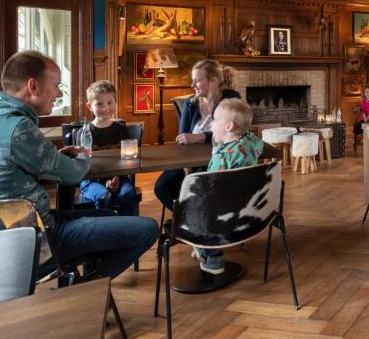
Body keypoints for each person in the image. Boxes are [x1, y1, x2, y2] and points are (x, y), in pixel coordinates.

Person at [0, 50, 158, 279]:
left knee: (107, 213)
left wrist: (54, 157)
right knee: (147, 228)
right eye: (56, 84)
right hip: (33, 243)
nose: (58, 93)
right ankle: (87, 289)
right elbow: (73, 174)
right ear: (33, 86)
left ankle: (80, 285)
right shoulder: (19, 127)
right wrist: (82, 156)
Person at [154, 59, 240, 210]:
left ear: (213, 81)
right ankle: (187, 218)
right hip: (190, 159)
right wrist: (186, 166)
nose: (192, 85)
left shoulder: (231, 99)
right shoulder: (190, 103)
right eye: (192, 80)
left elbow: (231, 131)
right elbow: (183, 137)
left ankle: (199, 219)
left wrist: (200, 137)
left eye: (197, 80)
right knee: (162, 186)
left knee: (198, 185)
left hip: (219, 159)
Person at [194, 99, 265, 274]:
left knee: (199, 206)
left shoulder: (222, 158)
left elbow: (210, 189)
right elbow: (259, 144)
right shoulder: (251, 143)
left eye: (215, 120)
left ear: (229, 126)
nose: (211, 125)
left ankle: (213, 257)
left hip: (225, 216)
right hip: (249, 211)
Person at [78, 80, 137, 217]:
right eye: (99, 104)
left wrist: (117, 177)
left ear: (115, 103)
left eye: (109, 103)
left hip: (119, 178)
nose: (105, 108)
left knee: (128, 194)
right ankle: (106, 232)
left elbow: (127, 159)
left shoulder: (121, 130)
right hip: (91, 181)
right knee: (105, 196)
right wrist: (105, 182)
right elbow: (82, 163)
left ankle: (127, 230)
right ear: (89, 106)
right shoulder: (85, 133)